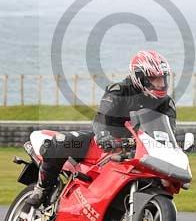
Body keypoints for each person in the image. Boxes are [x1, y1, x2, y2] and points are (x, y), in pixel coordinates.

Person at [26, 50, 177, 206]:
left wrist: (176, 148)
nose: (160, 84)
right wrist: (103, 135)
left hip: (140, 152)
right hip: (106, 144)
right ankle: (42, 189)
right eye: (154, 79)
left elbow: (168, 132)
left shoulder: (166, 104)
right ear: (140, 78)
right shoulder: (119, 91)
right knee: (62, 141)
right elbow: (101, 117)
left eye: (162, 78)